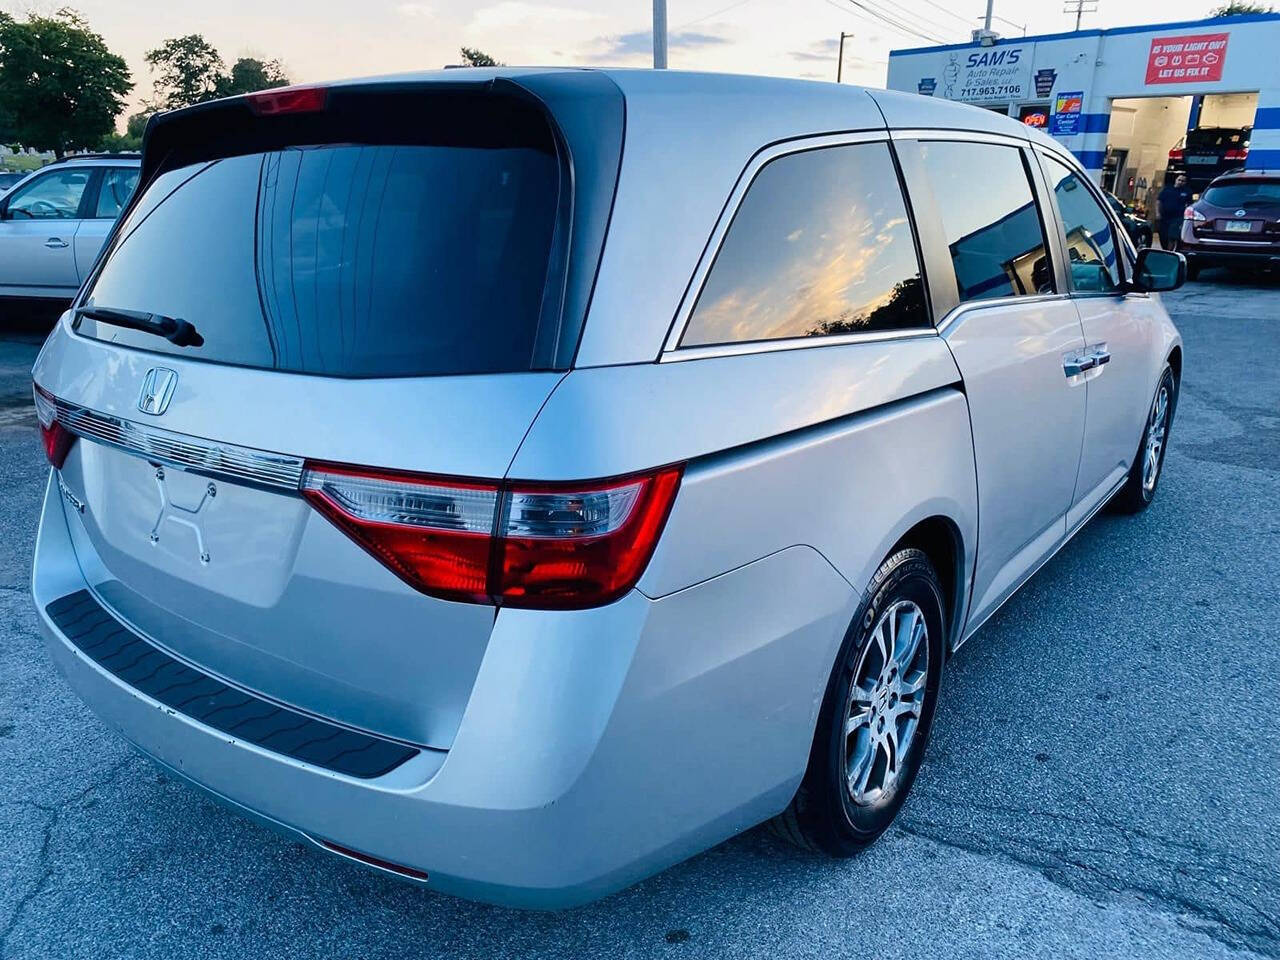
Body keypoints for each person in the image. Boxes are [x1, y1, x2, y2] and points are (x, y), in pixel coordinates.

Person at [1157, 174, 1190, 251]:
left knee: (1172, 235)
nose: (1180, 182)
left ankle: (1169, 252)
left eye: (1183, 181)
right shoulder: (1167, 190)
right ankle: (1165, 249)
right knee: (1163, 235)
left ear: (1185, 183)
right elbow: (1159, 201)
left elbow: (1189, 204)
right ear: (1176, 180)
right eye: (1179, 180)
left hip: (1178, 217)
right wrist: (1158, 213)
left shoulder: (1187, 192)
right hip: (1165, 217)